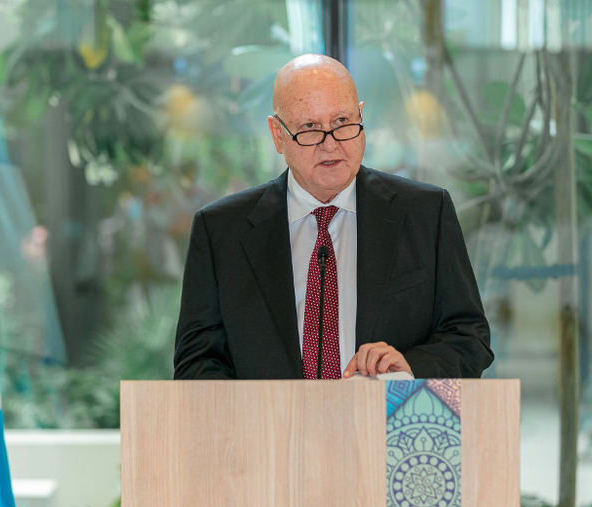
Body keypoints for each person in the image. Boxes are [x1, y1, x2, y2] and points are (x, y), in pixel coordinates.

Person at [173, 54, 493, 380]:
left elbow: (470, 338)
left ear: (361, 116)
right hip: (269, 428)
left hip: (382, 425)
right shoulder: (220, 231)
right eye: (309, 128)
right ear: (277, 135)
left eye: (342, 123)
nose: (330, 145)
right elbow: (196, 365)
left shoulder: (426, 213)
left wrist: (409, 368)